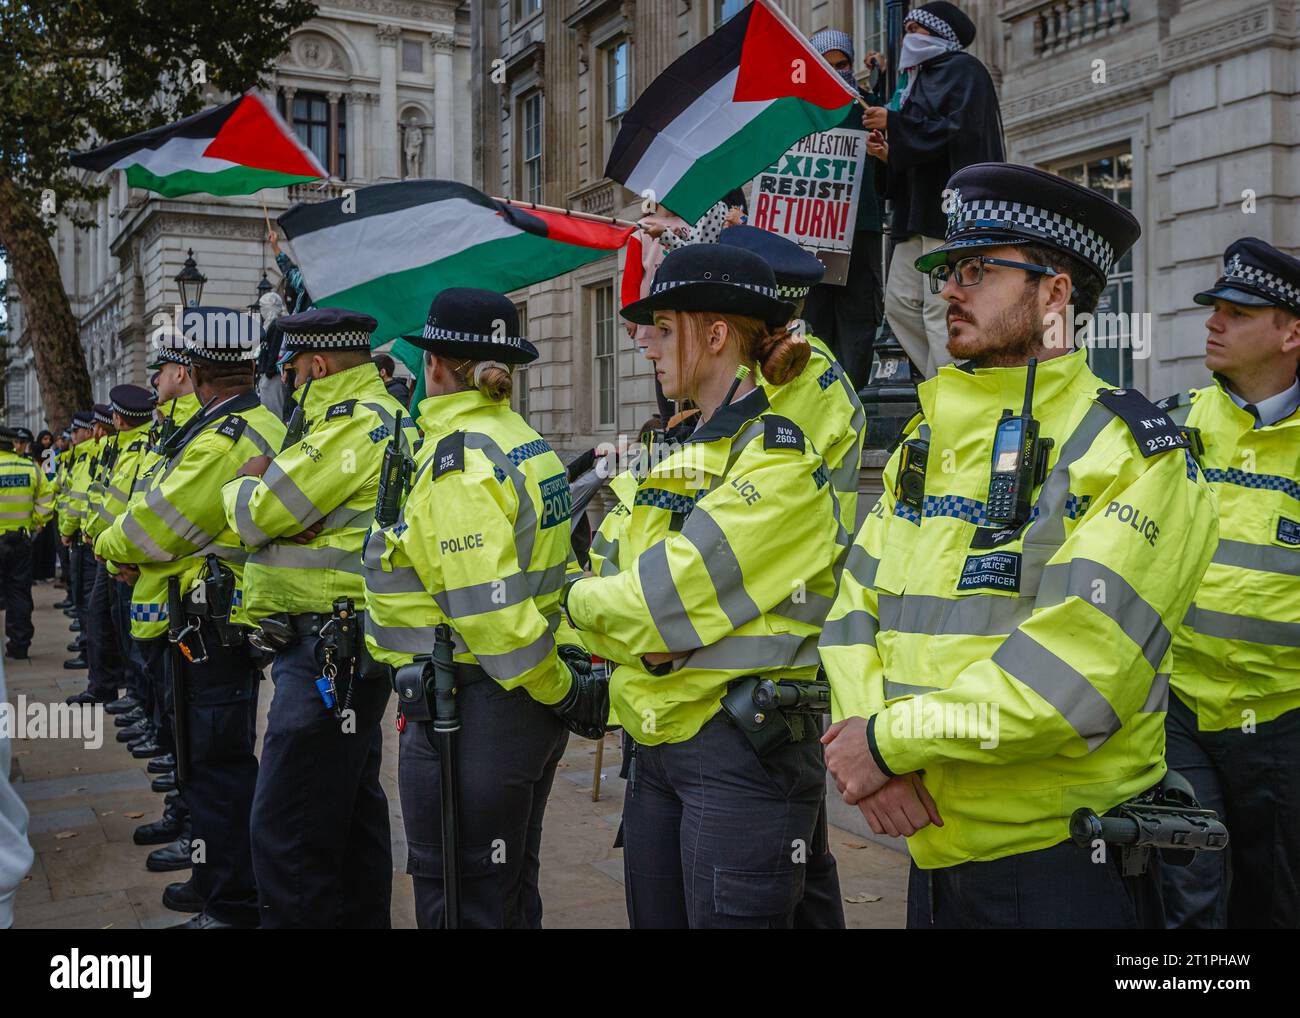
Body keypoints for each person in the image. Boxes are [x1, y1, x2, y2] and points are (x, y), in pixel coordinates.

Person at [819, 163, 1219, 929]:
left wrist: (887, 742)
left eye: (976, 270)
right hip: (929, 851)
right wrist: (873, 764)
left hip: (1058, 867)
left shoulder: (1134, 452)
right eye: (947, 271)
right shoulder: (927, 437)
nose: (948, 291)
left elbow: (1074, 683)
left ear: (1056, 294)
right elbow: (854, 609)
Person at [560, 245, 845, 928]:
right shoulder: (679, 452)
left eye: (664, 327)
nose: (648, 346)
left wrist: (581, 603)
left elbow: (651, 607)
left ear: (716, 335)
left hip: (739, 754)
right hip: (655, 747)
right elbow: (612, 570)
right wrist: (635, 626)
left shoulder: (777, 460)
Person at [364, 288, 604, 929]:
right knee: (507, 884)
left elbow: (492, 616)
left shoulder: (458, 461)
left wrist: (558, 689)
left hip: (474, 707)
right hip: (517, 707)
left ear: (437, 365)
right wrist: (562, 688)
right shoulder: (524, 439)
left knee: (459, 897)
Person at [223, 308, 418, 929]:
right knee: (350, 811)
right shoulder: (372, 417)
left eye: (291, 370)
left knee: (287, 826)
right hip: (341, 642)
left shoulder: (350, 425)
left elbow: (257, 514)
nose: (288, 383)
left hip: (328, 648)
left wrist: (243, 486)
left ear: (317, 364)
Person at [96, 306, 286, 929]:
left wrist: (114, 548)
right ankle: (220, 885)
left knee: (215, 768)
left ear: (201, 373)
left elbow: (160, 520)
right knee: (209, 762)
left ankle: (229, 902)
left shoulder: (227, 436)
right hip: (210, 618)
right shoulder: (247, 423)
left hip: (213, 624)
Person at [717, 224, 867, 929]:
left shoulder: (804, 387)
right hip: (781, 621)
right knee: (804, 856)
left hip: (784, 629)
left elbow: (749, 508)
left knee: (788, 849)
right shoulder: (796, 377)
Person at [1155, 237, 1300, 929]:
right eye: (1214, 308)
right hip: (1180, 710)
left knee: (1275, 901)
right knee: (1189, 895)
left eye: (1238, 313)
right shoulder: (1172, 425)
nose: (1213, 322)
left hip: (1285, 718)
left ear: (1290, 331)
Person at [861, 2, 1004, 378]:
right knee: (900, 304)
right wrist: (889, 154)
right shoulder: (914, 81)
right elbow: (923, 143)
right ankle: (944, 382)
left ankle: (948, 392)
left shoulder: (967, 72)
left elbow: (960, 134)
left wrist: (895, 122)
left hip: (950, 215)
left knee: (939, 306)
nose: (907, 35)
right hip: (914, 213)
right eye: (905, 27)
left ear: (940, 33)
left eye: (916, 28)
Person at [802, 29, 887, 390]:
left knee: (856, 317)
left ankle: (854, 396)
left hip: (859, 227)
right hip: (812, 232)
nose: (837, 71)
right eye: (827, 65)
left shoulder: (867, 107)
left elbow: (892, 131)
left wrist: (881, 79)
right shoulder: (800, 114)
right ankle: (825, 397)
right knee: (818, 318)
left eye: (844, 64)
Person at [83, 387, 158, 753]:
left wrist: (104, 544)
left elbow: (122, 505)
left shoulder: (137, 448)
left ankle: (144, 706)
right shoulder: (127, 445)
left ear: (117, 418)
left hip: (124, 553)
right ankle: (137, 700)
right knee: (120, 625)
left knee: (134, 634)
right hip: (114, 550)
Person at [81, 405, 127, 720]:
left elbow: (118, 504)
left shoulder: (128, 450)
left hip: (116, 549)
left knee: (117, 625)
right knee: (103, 618)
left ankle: (112, 687)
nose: (96, 432)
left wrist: (98, 539)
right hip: (105, 546)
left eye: (102, 426)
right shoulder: (112, 449)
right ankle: (103, 685)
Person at [0, 426, 52, 661]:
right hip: (20, 541)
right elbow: (47, 498)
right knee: (19, 592)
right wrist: (35, 524)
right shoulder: (29, 467)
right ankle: (19, 645)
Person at [60, 412, 99, 689]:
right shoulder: (81, 455)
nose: (72, 438)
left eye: (77, 432)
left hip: (87, 539)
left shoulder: (88, 456)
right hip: (86, 537)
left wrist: (67, 528)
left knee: (88, 602)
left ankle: (90, 653)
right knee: (85, 599)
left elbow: (78, 498)